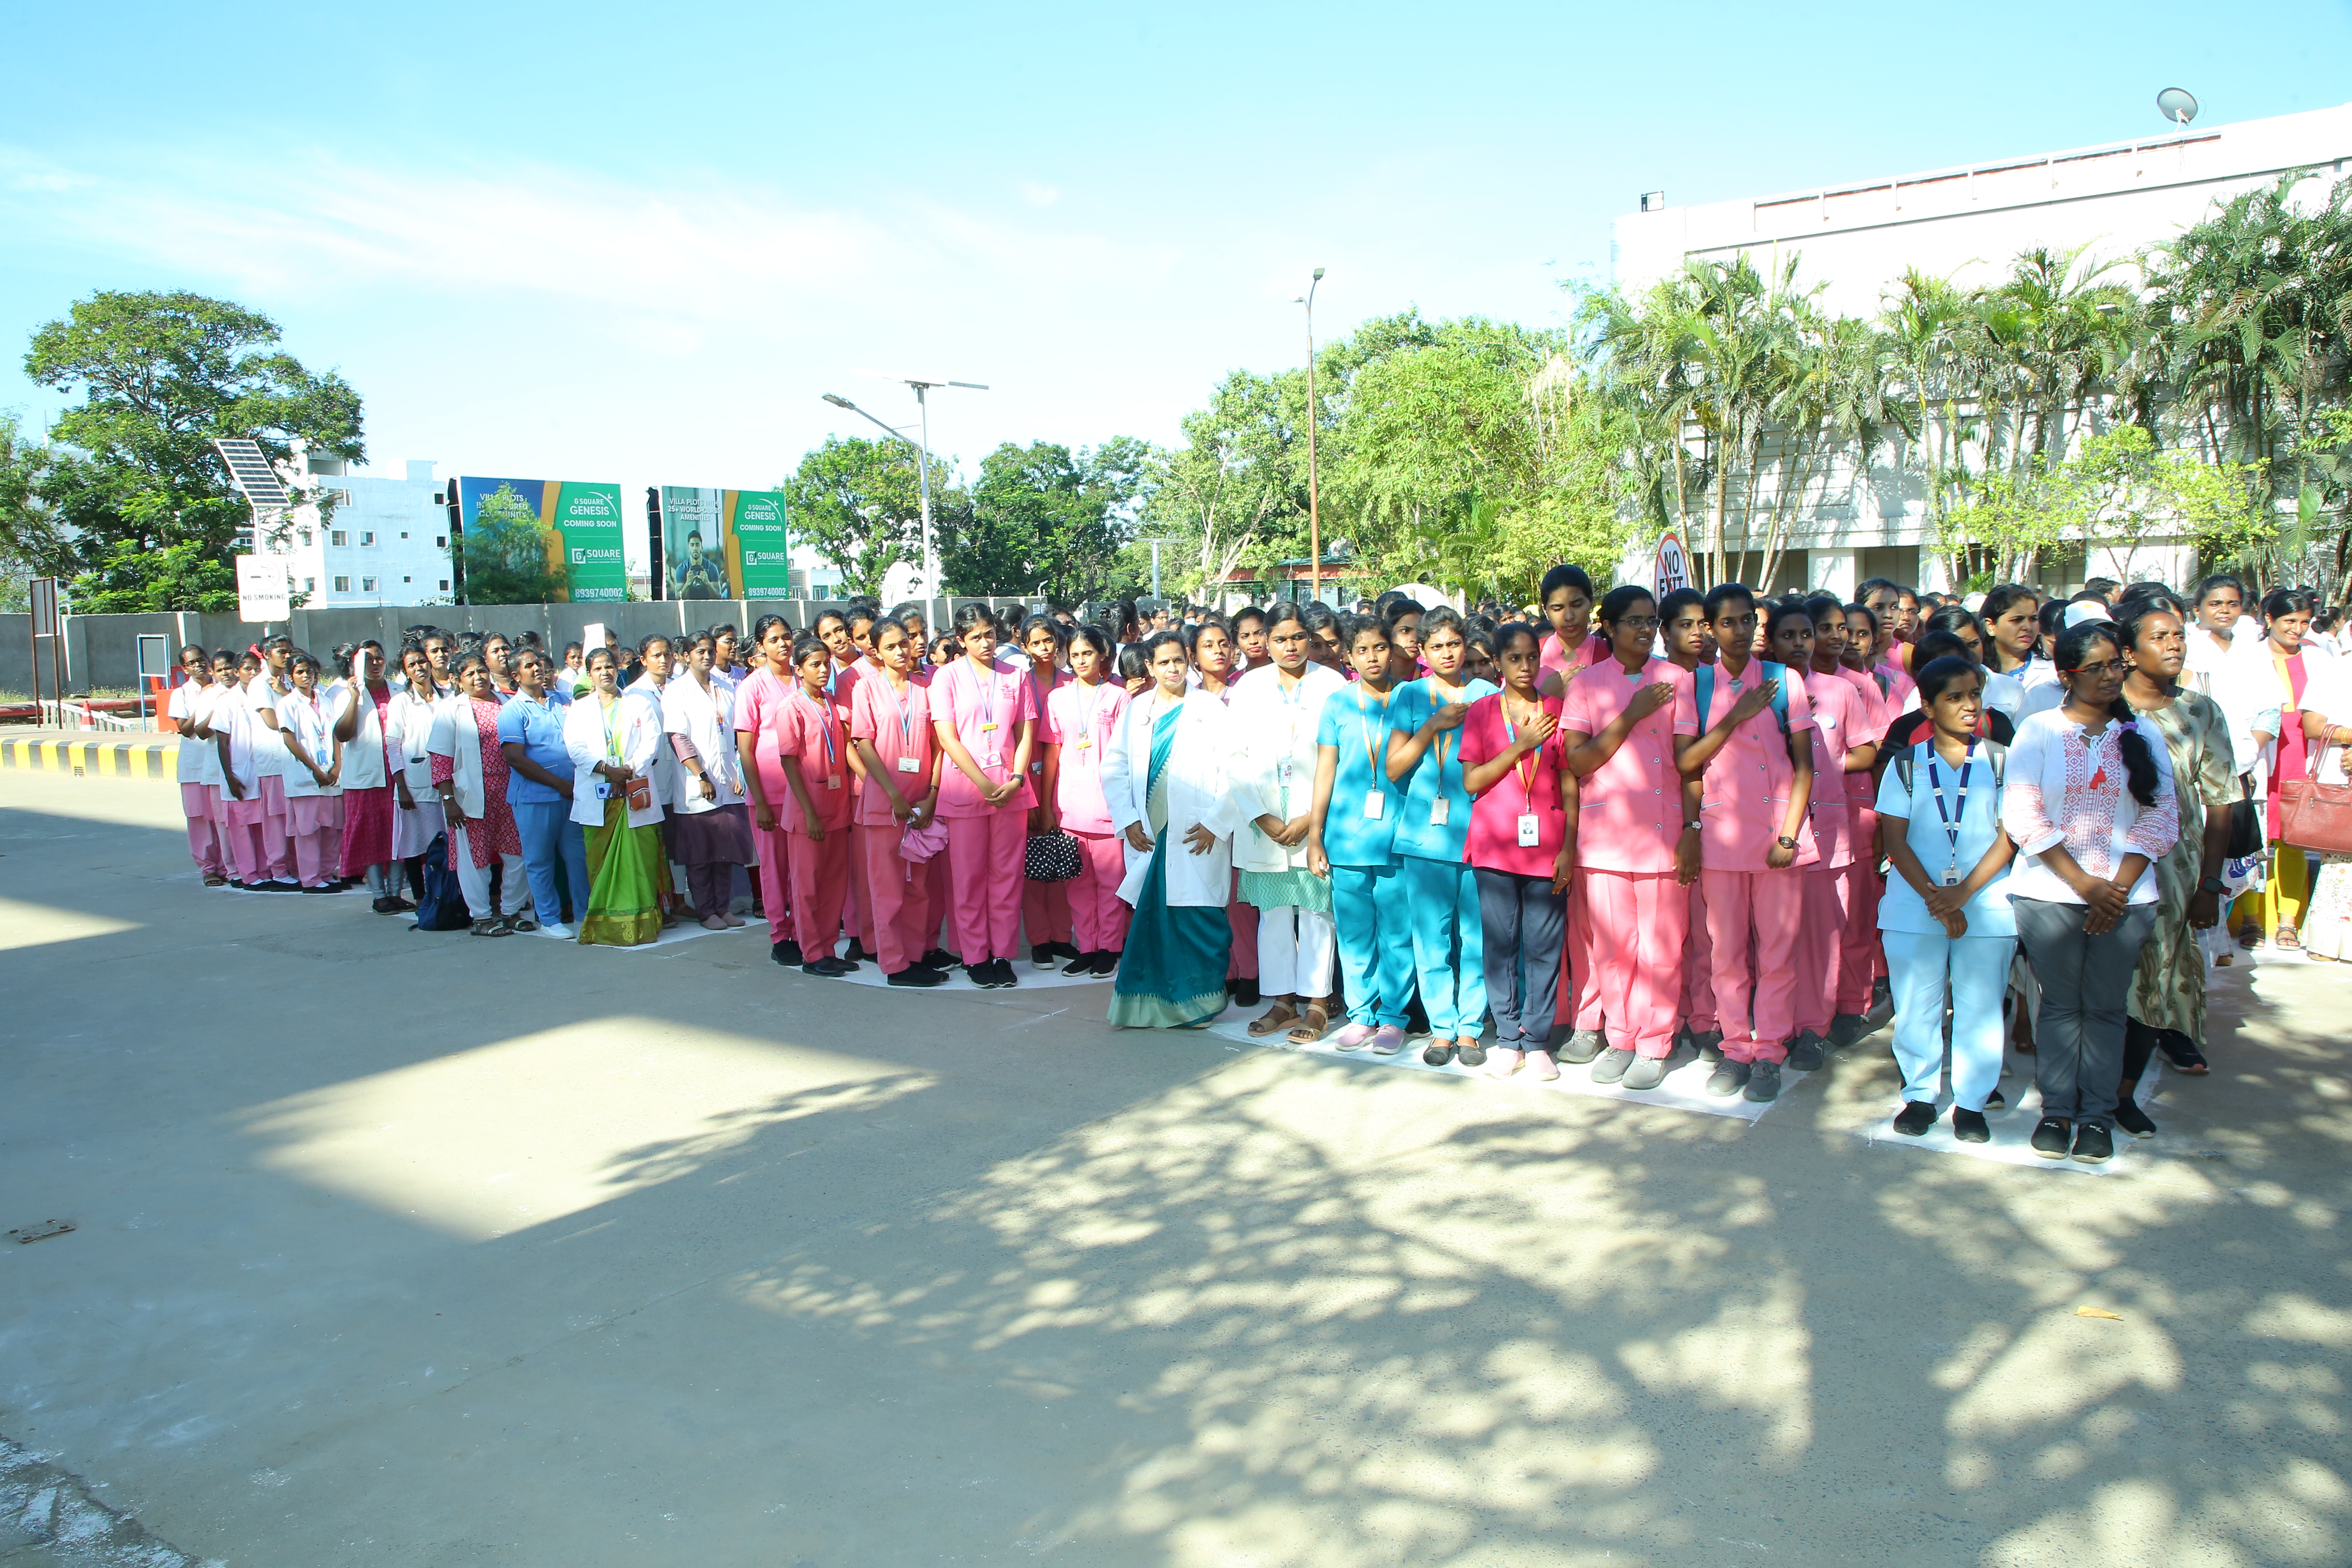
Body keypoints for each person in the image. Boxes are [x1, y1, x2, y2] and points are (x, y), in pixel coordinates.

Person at [2002, 621, 2180, 1165]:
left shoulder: (2143, 734)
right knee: (2059, 1008)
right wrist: (2084, 886)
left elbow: (2162, 816)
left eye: (2115, 665)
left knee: (2104, 1010)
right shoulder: (2038, 731)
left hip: (2126, 902)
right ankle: (2057, 1111)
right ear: (2065, 675)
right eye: (2096, 667)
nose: (2110, 675)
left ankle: (2097, 1118)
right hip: (2049, 896)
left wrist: (2116, 890)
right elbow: (2023, 815)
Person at [1673, 584, 1817, 1104]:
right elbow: (1687, 763)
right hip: (1720, 837)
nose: (1740, 631)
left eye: (1747, 621)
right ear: (1710, 629)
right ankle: (1736, 1050)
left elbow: (1806, 766)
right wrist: (1735, 714)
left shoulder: (1785, 679)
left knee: (1777, 954)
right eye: (1727, 622)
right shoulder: (1699, 685)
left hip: (1778, 835)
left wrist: (1789, 834)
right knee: (1727, 954)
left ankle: (1771, 1052)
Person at [1877, 655, 2017, 1142]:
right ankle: (1919, 1094)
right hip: (1916, 903)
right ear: (1927, 706)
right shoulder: (1906, 765)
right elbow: (1895, 840)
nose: (1968, 706)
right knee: (1917, 1003)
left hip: (1985, 901)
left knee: (1980, 1004)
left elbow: (2010, 836)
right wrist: (1939, 899)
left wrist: (1962, 894)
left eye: (1974, 695)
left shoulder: (2001, 760)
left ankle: (1973, 1102)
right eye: (1954, 697)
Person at [1560, 587, 1693, 1089]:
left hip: (1662, 836)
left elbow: (1687, 762)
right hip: (1605, 837)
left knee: (1661, 949)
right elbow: (1579, 760)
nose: (1645, 629)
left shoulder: (1677, 680)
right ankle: (1620, 1037)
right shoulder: (1588, 685)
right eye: (1633, 621)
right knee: (1614, 950)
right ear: (1609, 628)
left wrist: (1693, 830)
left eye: (1651, 620)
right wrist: (1633, 714)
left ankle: (1655, 1044)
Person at [2112, 599, 2237, 1107]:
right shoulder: (2105, 705)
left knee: (2161, 963)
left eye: (2179, 636)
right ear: (2128, 652)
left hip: (2176, 863)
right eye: (2159, 637)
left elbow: (2222, 802)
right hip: (2108, 857)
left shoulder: (2200, 711)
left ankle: (2146, 1060)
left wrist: (2210, 884)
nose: (2174, 645)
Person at [1104, 631, 1244, 1027]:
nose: (1172, 669)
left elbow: (1234, 771)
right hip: (1150, 832)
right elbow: (1114, 768)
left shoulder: (1210, 708)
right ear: (1149, 667)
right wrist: (1128, 819)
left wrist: (1216, 823)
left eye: (1178, 661)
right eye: (1163, 663)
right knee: (1152, 923)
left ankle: (1199, 1005)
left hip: (1197, 834)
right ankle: (1150, 1006)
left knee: (1200, 920)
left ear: (1189, 662)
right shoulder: (1137, 711)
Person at [1460, 621, 1575, 1080]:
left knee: (1545, 947)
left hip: (1547, 846)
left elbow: (1570, 783)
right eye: (1515, 659)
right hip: (1494, 846)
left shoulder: (1558, 709)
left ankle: (1539, 1040)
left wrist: (1568, 845)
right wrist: (1521, 745)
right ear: (1498, 663)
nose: (1526, 666)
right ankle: (1508, 1038)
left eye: (1532, 657)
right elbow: (1472, 781)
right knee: (1501, 945)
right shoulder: (1484, 712)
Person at [1385, 606, 1499, 1067]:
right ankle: (1441, 1029)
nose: (1447, 653)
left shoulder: (1488, 693)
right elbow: (1393, 767)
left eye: (1454, 644)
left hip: (1479, 830)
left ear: (1466, 645)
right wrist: (1433, 724)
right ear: (1423, 651)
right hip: (1424, 834)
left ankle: (1471, 1029)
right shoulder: (1410, 695)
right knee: (1430, 938)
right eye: (1437, 647)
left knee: (1475, 937)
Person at [1768, 599, 1878, 1069]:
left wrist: (1823, 767)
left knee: (1821, 939)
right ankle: (1775, 1026)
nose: (1799, 644)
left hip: (1827, 831)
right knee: (1774, 940)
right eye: (1788, 636)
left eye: (1806, 635)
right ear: (1771, 641)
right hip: (1768, 832)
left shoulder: (1840, 691)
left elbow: (1866, 752)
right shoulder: (1755, 690)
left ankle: (1812, 1028)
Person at [1231, 604, 1348, 1042]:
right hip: (1264, 820)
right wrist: (1261, 816)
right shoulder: (1249, 687)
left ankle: (1317, 1004)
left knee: (1318, 911)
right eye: (1280, 639)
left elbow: (1342, 756)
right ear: (1266, 639)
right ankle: (1282, 1001)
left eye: (1298, 637)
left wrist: (1310, 817)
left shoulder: (1332, 684)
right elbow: (1234, 757)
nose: (1290, 647)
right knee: (1274, 913)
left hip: (1313, 817)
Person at [1304, 614, 1414, 1053]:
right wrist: (1315, 836)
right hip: (1347, 836)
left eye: (1381, 648)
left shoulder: (1410, 698)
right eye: (1363, 650)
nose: (1372, 657)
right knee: (1354, 935)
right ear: (1348, 656)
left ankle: (1393, 1018)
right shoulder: (1337, 704)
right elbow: (1325, 770)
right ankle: (1361, 1014)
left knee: (1396, 933)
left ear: (1394, 651)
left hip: (1398, 835)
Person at [931, 606, 1037, 988]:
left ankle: (1002, 954)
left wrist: (1015, 777)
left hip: (1011, 791)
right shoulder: (946, 678)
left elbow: (1025, 733)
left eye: (989, 634)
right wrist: (983, 783)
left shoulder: (1017, 676)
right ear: (961, 640)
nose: (985, 642)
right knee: (969, 877)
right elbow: (947, 737)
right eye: (975, 636)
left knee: (1007, 877)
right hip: (966, 789)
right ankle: (975, 955)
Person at [848, 617, 947, 987]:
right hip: (884, 804)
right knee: (887, 886)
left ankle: (916, 955)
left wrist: (932, 795)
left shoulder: (926, 687)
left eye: (904, 643)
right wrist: (892, 794)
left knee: (918, 887)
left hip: (921, 804)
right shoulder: (866, 689)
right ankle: (894, 964)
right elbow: (864, 744)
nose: (900, 651)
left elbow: (940, 746)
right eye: (890, 646)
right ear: (875, 650)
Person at [1040, 625, 1129, 978]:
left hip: (1109, 804)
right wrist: (1047, 806)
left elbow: (1127, 756)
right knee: (1077, 881)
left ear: (1103, 655)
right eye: (1074, 655)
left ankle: (1109, 947)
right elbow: (1051, 754)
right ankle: (1088, 947)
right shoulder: (1058, 699)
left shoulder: (1119, 697)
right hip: (1071, 804)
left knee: (1110, 881)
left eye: (1087, 654)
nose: (1080, 661)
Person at [563, 646, 666, 945]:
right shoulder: (579, 709)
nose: (605, 673)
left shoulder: (639, 704)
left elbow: (651, 742)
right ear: (589, 675)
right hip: (599, 794)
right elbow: (576, 749)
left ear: (618, 668)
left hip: (634, 789)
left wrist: (628, 770)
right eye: (597, 669)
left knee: (642, 859)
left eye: (609, 666)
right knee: (600, 860)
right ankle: (605, 925)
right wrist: (609, 771)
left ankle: (645, 923)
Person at [427, 655, 529, 934]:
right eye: (470, 674)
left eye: (481, 671)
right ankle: (482, 918)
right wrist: (448, 800)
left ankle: (511, 912)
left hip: (509, 793)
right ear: (458, 681)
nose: (478, 678)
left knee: (517, 854)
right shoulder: (451, 710)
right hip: (470, 796)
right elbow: (441, 758)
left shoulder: (507, 704)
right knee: (476, 859)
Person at [660, 631, 753, 932]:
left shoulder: (726, 688)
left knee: (725, 850)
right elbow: (678, 737)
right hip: (697, 783)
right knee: (701, 855)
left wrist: (740, 773)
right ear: (686, 655)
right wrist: (700, 775)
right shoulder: (677, 691)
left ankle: (722, 907)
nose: (707, 656)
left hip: (728, 780)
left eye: (711, 651)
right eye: (699, 651)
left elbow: (740, 734)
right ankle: (706, 911)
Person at [495, 647, 591, 940]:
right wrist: (557, 784)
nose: (537, 668)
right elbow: (515, 758)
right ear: (516, 676)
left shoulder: (564, 701)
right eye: (529, 665)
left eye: (539, 663)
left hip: (572, 796)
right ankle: (549, 919)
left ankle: (584, 915)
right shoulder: (513, 710)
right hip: (537, 798)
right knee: (540, 860)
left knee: (578, 858)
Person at [2242, 589, 2320, 950]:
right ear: (2269, 620)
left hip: (2301, 757)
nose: (2298, 629)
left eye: (2305, 623)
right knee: (2252, 838)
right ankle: (2250, 919)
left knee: (2293, 837)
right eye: (2290, 621)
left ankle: (2289, 922)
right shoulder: (2246, 658)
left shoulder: (2321, 659)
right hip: (2257, 754)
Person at [1017, 615, 1079, 969]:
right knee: (1032, 864)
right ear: (1025, 646)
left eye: (1048, 641)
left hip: (1062, 779)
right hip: (1026, 778)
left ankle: (1061, 936)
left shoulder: (1072, 684)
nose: (1043, 648)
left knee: (1060, 858)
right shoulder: (1016, 683)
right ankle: (1039, 939)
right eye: (1035, 643)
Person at [328, 642, 401, 909]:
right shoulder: (346, 695)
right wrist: (353, 698)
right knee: (370, 836)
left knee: (397, 834)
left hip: (396, 776)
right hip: (366, 779)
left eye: (379, 658)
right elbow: (343, 734)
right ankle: (379, 896)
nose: (375, 664)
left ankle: (396, 893)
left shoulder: (399, 692)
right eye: (368, 659)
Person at [272, 650, 344, 891]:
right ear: (291, 676)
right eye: (300, 672)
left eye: (310, 672)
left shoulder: (325, 700)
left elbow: (334, 734)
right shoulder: (287, 704)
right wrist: (314, 769)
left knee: (332, 828)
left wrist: (337, 765)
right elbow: (290, 740)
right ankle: (311, 879)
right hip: (305, 776)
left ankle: (327, 873)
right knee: (308, 831)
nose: (306, 676)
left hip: (330, 775)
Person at [2300, 662, 2352, 962]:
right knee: (2339, 864)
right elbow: (2313, 725)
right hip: (2341, 784)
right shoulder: (2332, 671)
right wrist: (2349, 736)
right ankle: (2329, 943)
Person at [166, 645, 229, 887]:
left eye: (201, 660)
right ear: (184, 669)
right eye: (191, 663)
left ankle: (229, 865)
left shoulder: (224, 687)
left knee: (222, 818)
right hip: (194, 766)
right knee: (199, 818)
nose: (198, 666)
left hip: (219, 762)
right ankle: (208, 868)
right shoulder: (181, 694)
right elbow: (185, 729)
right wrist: (205, 700)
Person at [1535, 565, 1606, 697]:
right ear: (1546, 610)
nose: (1569, 617)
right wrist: (1543, 697)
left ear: (1591, 603)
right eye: (1558, 609)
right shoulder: (1531, 653)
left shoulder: (1611, 654)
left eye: (1577, 605)